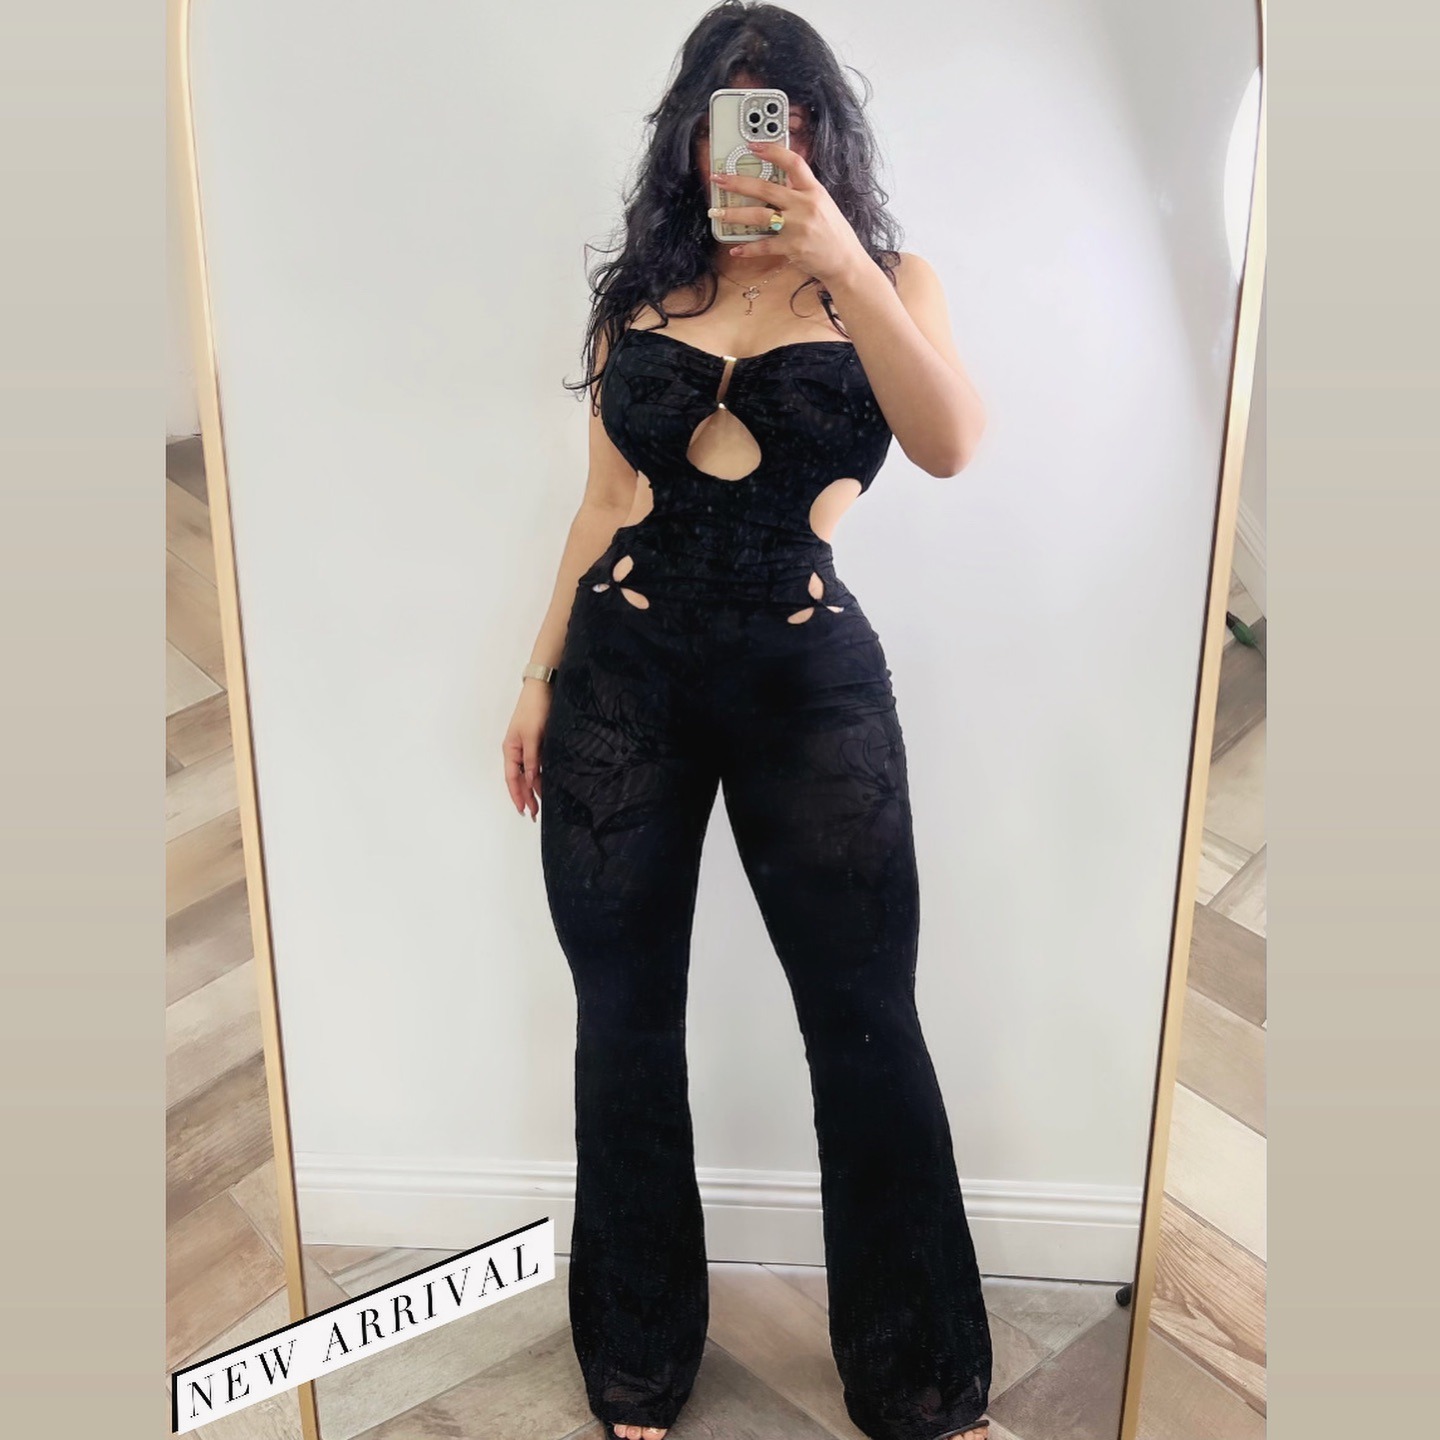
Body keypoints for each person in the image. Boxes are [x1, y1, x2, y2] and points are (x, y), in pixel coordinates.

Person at [502, 6, 992, 1439]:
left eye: (788, 118)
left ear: (824, 135)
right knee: (624, 1021)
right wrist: (535, 678)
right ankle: (638, 1355)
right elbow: (605, 502)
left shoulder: (887, 281)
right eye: (732, 118)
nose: (760, 148)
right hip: (621, 681)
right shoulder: (646, 293)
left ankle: (918, 1376)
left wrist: (840, 259)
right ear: (691, 138)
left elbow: (952, 443)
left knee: (866, 1019)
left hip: (805, 681)